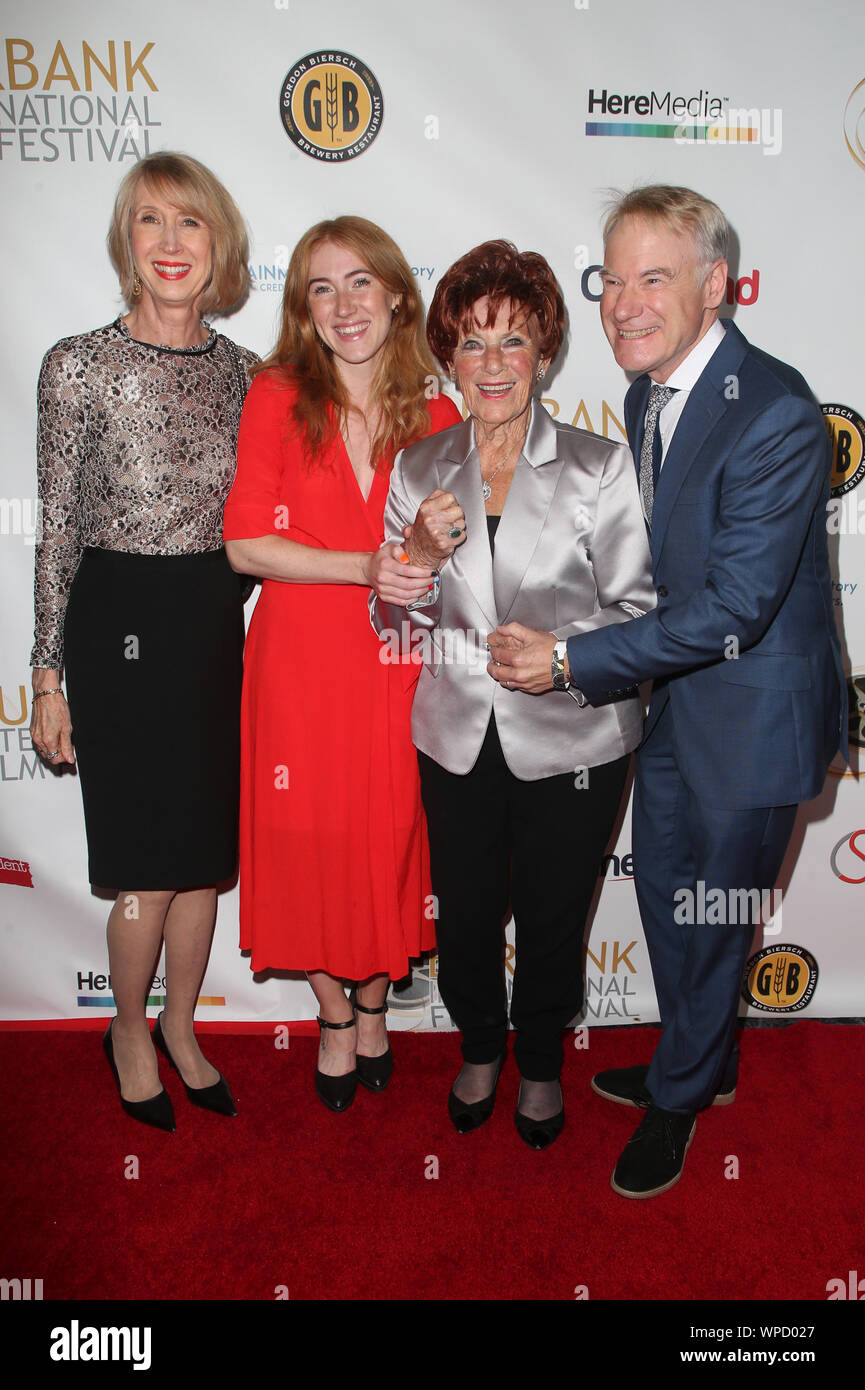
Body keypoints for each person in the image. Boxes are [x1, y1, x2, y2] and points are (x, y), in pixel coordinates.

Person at [487, 186, 846, 1192]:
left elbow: (733, 602)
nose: (624, 303)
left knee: (716, 908)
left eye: (655, 277)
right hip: (676, 699)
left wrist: (566, 661)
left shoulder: (773, 410)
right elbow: (652, 566)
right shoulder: (650, 393)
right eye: (614, 279)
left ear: (715, 286)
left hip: (752, 712)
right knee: (668, 892)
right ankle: (705, 1056)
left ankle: (683, 1096)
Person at [370, 240, 655, 1148]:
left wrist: (560, 655)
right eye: (473, 344)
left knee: (552, 913)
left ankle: (538, 1063)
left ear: (542, 354)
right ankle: (479, 1048)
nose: (492, 366)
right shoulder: (418, 470)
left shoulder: (596, 466)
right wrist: (412, 557)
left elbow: (642, 615)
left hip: (573, 739)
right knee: (462, 910)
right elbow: (393, 631)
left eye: (513, 343)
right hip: (455, 734)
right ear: (447, 358)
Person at [29, 152, 258, 1132]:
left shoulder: (253, 377)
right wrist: (45, 674)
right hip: (115, 616)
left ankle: (180, 1025)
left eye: (190, 223)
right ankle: (127, 1028)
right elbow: (58, 527)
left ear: (220, 245)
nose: (171, 243)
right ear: (128, 241)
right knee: (146, 861)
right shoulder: (76, 365)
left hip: (210, 618)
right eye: (150, 222)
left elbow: (265, 524)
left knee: (203, 857)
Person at [222, 217, 461, 1113]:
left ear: (397, 293)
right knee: (306, 842)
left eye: (360, 282)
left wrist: (424, 555)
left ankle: (373, 1006)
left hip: (398, 661)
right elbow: (246, 545)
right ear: (303, 308)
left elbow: (452, 557)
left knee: (389, 836)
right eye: (321, 288)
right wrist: (362, 563)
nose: (343, 304)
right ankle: (332, 1014)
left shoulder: (438, 414)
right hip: (297, 660)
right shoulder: (277, 395)